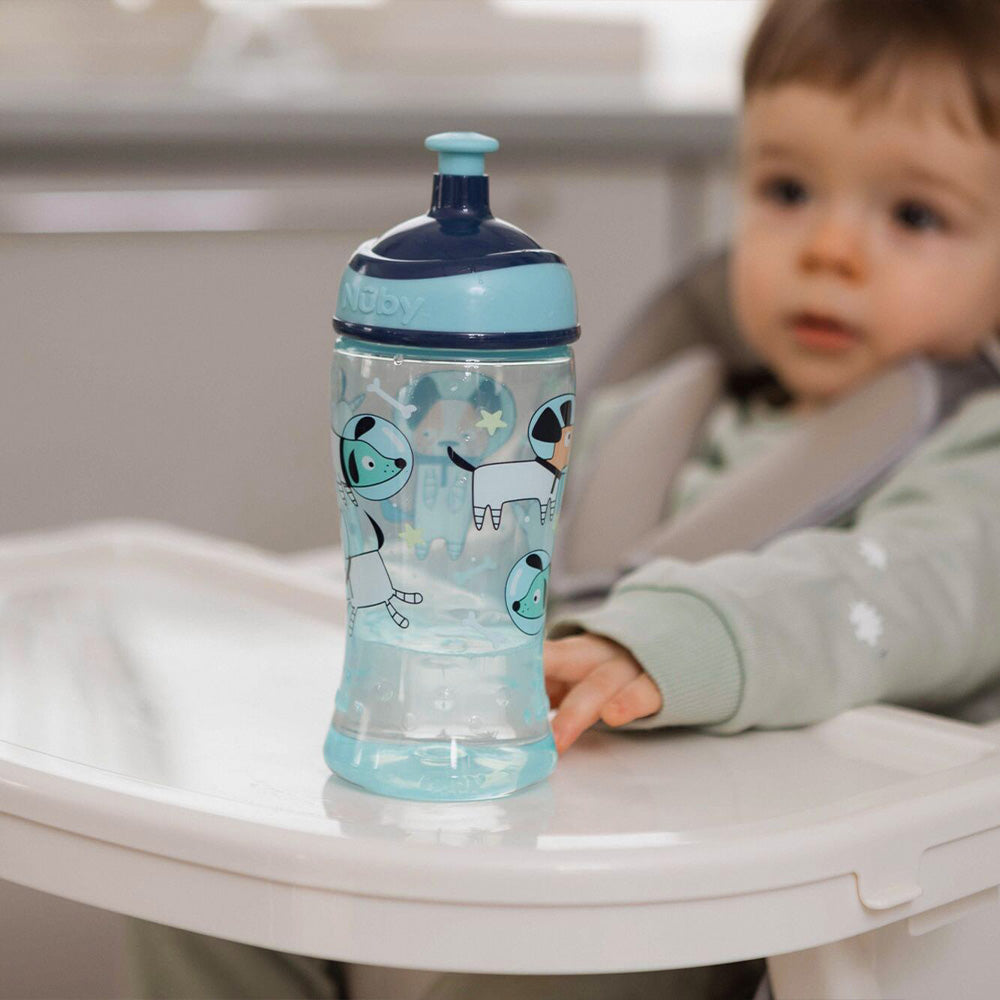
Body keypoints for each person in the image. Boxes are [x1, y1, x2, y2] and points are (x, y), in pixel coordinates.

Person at [128, 1, 1000, 997]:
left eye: (914, 215)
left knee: (571, 963)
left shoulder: (978, 457)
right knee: (205, 894)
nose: (830, 250)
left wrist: (673, 642)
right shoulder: (647, 415)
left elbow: (895, 594)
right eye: (788, 189)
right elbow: (461, 554)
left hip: (726, 906)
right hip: (522, 826)